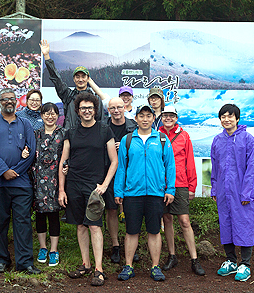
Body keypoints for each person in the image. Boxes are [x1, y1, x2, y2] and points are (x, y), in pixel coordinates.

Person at [58, 91, 118, 286]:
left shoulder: (104, 130)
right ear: (78, 110)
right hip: (73, 184)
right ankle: (86, 264)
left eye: (90, 108)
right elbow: (63, 161)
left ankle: (99, 270)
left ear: (95, 110)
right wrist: (61, 189)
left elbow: (114, 161)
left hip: (95, 187)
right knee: (80, 225)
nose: (86, 111)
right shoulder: (71, 132)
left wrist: (105, 184)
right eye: (83, 108)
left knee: (94, 225)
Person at [114, 104, 176, 282]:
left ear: (153, 118)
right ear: (136, 118)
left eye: (149, 116)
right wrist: (119, 190)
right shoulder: (127, 140)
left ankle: (155, 267)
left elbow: (170, 167)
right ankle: (128, 266)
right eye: (141, 116)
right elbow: (122, 168)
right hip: (132, 193)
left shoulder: (162, 140)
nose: (145, 119)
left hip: (156, 193)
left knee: (154, 231)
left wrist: (170, 190)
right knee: (131, 231)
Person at [0, 88, 40, 274]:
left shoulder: (25, 125)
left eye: (12, 99)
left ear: (16, 102)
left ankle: (25, 262)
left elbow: (31, 151)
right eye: (5, 99)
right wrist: (3, 171)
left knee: (23, 223)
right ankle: (2, 259)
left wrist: (14, 171)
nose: (9, 102)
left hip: (21, 184)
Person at [211, 103, 254, 282]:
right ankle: (231, 261)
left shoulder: (247, 139)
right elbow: (215, 167)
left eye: (230, 116)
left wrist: (247, 193)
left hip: (242, 191)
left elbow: (252, 168)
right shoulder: (217, 140)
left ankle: (245, 264)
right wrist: (215, 188)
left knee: (245, 223)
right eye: (223, 116)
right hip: (224, 191)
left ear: (237, 119)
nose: (227, 119)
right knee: (226, 223)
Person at [158, 105, 205, 276]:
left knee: (184, 221)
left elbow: (190, 163)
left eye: (171, 115)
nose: (168, 118)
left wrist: (192, 187)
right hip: (162, 185)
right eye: (165, 115)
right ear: (161, 117)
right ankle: (172, 255)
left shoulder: (184, 136)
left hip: (181, 184)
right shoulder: (157, 135)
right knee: (167, 219)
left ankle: (194, 259)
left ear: (176, 118)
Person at [40, 39, 109, 129]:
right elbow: (56, 79)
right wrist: (46, 56)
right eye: (77, 76)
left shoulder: (95, 98)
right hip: (71, 137)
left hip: (91, 137)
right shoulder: (68, 95)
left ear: (88, 79)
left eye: (83, 76)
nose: (80, 79)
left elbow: (100, 120)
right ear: (74, 79)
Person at [32, 102, 65, 267]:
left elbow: (67, 156)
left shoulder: (63, 134)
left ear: (58, 116)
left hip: (56, 180)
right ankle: (42, 247)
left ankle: (53, 250)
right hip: (38, 180)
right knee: (39, 214)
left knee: (53, 215)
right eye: (46, 113)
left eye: (53, 113)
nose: (50, 116)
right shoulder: (35, 134)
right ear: (41, 115)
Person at [104, 97, 137, 263]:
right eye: (112, 108)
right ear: (108, 110)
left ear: (125, 108)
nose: (116, 111)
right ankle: (116, 245)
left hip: (130, 173)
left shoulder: (134, 126)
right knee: (111, 209)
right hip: (108, 172)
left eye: (119, 107)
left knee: (131, 209)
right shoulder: (103, 126)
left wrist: (125, 146)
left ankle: (131, 245)